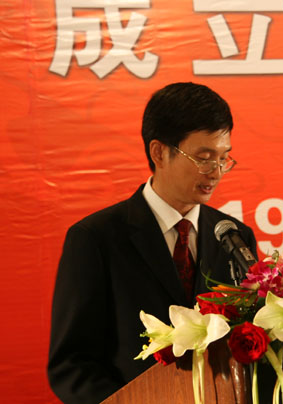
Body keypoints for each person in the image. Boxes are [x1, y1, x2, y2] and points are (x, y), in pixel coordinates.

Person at [47, 82, 258, 404]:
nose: (215, 172)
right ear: (159, 152)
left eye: (223, 158)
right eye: (203, 158)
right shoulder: (96, 238)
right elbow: (72, 365)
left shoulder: (233, 236)